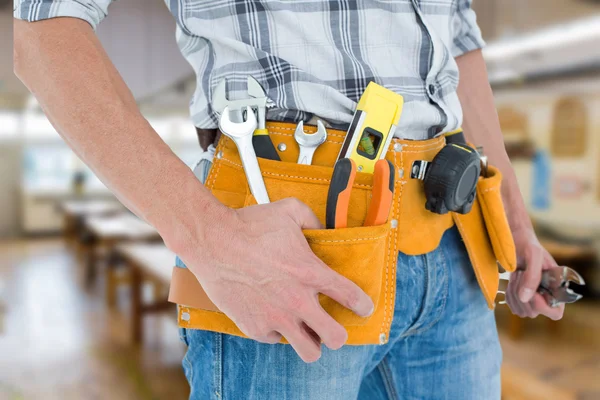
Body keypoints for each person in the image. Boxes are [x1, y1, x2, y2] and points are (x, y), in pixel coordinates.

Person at [14, 1, 565, 399]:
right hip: (291, 255)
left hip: (454, 247)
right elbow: (42, 34)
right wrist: (209, 235)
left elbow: (460, 44)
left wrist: (514, 220)